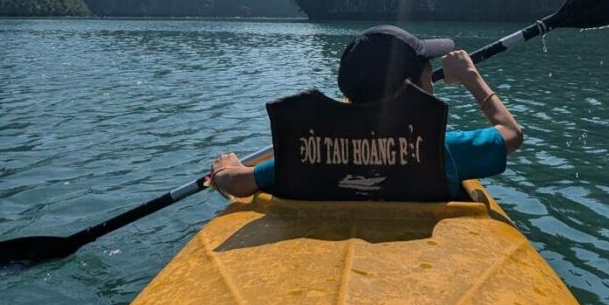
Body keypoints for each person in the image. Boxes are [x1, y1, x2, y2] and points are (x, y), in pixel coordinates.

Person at [211, 25, 523, 201]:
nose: (433, 75)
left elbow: (237, 183)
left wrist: (225, 169)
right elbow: (510, 134)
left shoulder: (312, 155)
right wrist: (471, 78)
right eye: (429, 70)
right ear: (414, 86)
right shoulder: (439, 150)